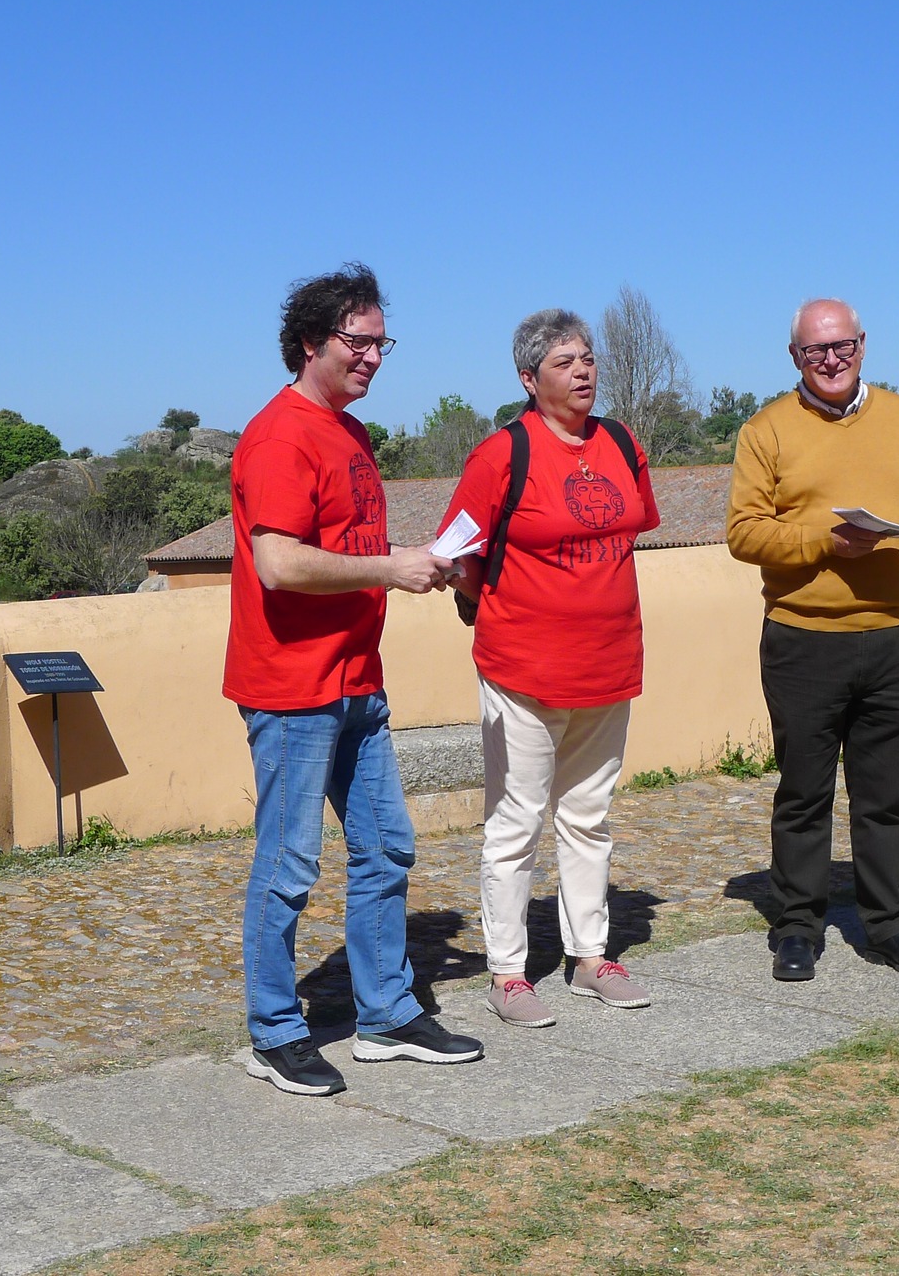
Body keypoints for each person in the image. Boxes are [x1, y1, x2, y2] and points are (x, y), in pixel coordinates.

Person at [225, 263, 484, 1095]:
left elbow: (345, 550)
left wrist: (425, 565)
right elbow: (278, 562)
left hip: (355, 684)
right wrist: (389, 565)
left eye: (382, 342)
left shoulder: (352, 434)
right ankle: (274, 1029)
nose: (374, 357)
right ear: (310, 342)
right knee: (290, 862)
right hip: (292, 688)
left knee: (385, 847)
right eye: (358, 341)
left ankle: (386, 1013)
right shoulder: (280, 436)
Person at [725, 298, 899, 982]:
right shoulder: (766, 430)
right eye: (815, 350)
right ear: (794, 356)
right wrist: (824, 542)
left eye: (842, 346)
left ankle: (888, 926)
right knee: (803, 792)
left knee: (884, 794)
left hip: (895, 637)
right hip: (804, 639)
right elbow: (745, 531)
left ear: (863, 343)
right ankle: (797, 927)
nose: (831, 359)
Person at [441, 309, 661, 1028]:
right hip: (523, 671)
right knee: (515, 823)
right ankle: (508, 972)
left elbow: (631, 534)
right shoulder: (502, 455)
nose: (584, 371)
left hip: (608, 666)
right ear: (529, 378)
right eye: (566, 361)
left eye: (588, 357)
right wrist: (503, 611)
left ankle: (591, 958)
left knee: (588, 818)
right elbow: (458, 557)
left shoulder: (623, 444)